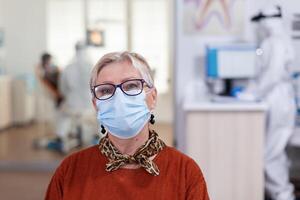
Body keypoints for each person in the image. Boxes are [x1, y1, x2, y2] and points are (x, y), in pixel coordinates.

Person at [45, 51, 210, 200]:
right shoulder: (70, 172)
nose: (118, 98)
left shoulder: (185, 172)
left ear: (152, 97)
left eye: (131, 86)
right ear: (96, 105)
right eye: (106, 90)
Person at [237, 5, 296, 200]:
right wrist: (253, 91)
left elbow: (273, 75)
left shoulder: (275, 42)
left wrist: (254, 94)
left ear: (267, 20)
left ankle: (283, 194)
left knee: (270, 154)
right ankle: (281, 192)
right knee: (275, 151)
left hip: (279, 100)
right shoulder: (277, 41)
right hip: (278, 99)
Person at [55, 42, 96, 152]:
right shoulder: (93, 68)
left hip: (72, 106)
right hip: (89, 107)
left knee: (63, 114)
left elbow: (62, 89)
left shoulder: (68, 68)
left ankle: (62, 139)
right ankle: (95, 138)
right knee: (97, 115)